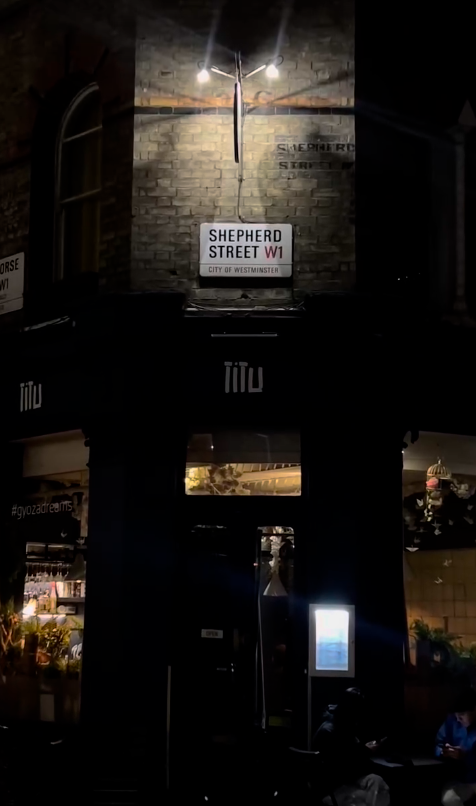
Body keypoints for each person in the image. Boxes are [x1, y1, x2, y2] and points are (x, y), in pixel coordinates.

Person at [313, 687, 390, 806]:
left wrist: (362, 749)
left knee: (376, 781)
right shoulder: (331, 732)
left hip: (343, 782)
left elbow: (350, 754)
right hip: (333, 790)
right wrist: (367, 751)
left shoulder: (338, 725)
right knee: (376, 792)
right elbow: (345, 767)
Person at [436, 688, 476, 805]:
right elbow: (438, 743)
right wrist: (442, 751)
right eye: (456, 715)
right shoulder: (452, 721)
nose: (458, 719)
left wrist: (465, 756)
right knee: (448, 798)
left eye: (462, 715)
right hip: (456, 778)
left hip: (473, 779)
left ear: (474, 709)